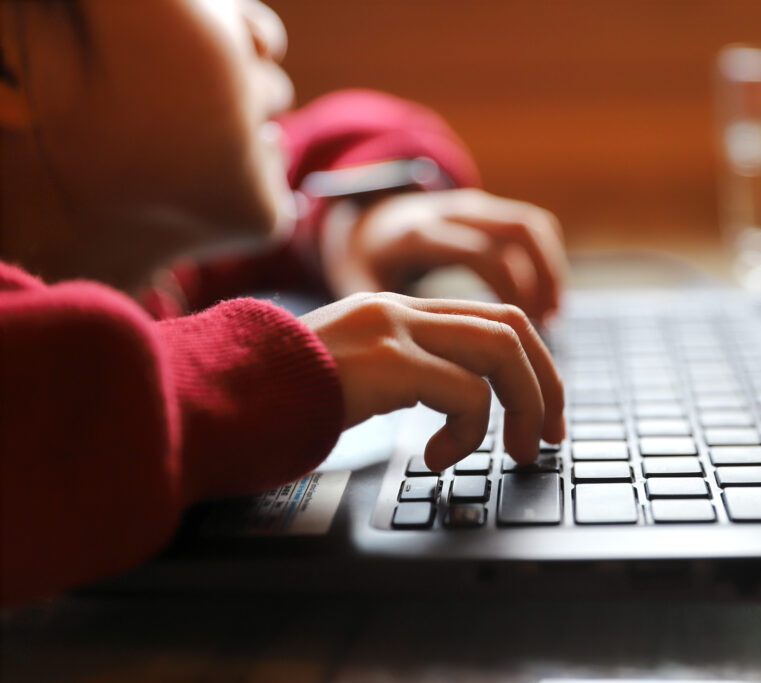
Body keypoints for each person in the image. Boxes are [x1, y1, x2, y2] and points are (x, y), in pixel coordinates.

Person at [0, 0, 566, 606]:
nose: (267, 25)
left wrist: (352, 216)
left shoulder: (130, 244)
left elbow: (308, 150)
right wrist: (265, 370)